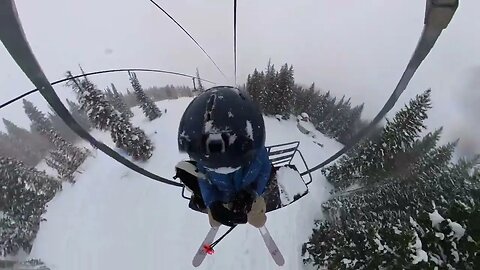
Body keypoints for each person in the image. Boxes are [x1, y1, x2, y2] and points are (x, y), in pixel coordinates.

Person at [177, 86, 272, 228]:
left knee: (258, 220)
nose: (224, 168)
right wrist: (213, 202)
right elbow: (203, 178)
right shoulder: (205, 156)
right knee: (214, 221)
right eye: (214, 166)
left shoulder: (255, 150)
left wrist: (253, 192)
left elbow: (265, 170)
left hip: (248, 194)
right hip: (223, 197)